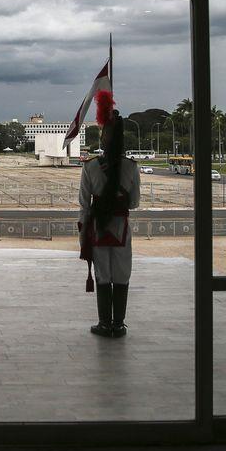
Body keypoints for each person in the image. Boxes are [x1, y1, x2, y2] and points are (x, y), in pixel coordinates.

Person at [79, 90, 141, 338]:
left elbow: (84, 203)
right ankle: (119, 323)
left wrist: (83, 231)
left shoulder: (91, 167)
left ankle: (105, 323)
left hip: (98, 228)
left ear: (104, 139)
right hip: (122, 228)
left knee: (103, 275)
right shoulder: (131, 167)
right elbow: (134, 203)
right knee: (122, 275)